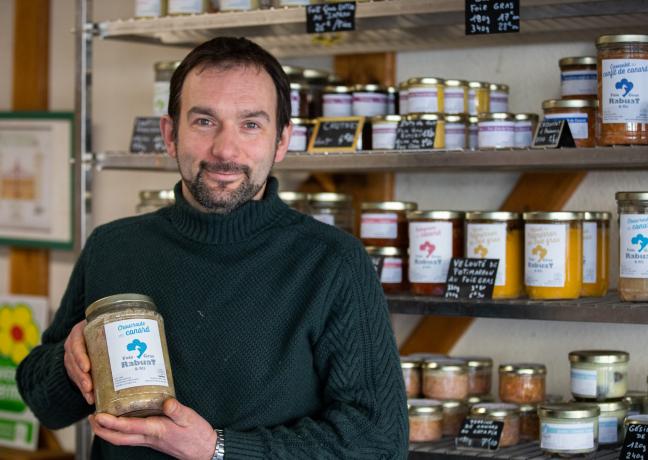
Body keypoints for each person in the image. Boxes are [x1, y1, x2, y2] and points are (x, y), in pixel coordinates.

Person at [16, 36, 408, 459]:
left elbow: (379, 442)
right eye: (204, 121)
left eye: (251, 124)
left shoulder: (333, 262)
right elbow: (44, 406)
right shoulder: (113, 246)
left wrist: (218, 449)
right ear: (170, 134)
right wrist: (68, 366)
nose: (225, 149)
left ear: (281, 141)